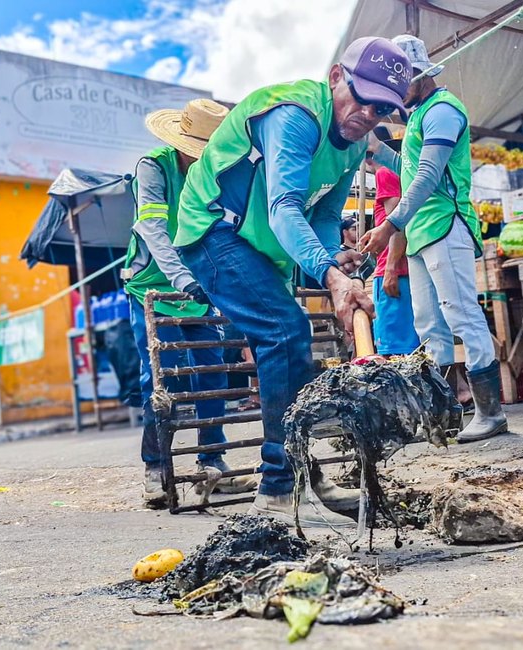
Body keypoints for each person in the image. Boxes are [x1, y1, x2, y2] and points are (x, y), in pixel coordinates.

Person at [175, 37, 412, 529]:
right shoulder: (296, 115)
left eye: (381, 108)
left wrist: (333, 262)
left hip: (258, 244)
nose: (368, 114)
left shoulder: (349, 144)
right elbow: (284, 207)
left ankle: (301, 470)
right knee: (284, 333)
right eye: (362, 97)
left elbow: (324, 213)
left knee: (291, 343)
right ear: (334, 78)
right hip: (213, 230)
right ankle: (277, 491)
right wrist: (329, 276)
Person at [359, 34, 507, 443]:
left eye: (400, 83)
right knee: (428, 325)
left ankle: (491, 412)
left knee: (462, 315)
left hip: (446, 224)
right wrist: (375, 153)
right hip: (423, 233)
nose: (396, 94)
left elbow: (426, 178)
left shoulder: (443, 110)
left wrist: (390, 225)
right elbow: (410, 168)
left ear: (421, 76)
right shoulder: (419, 114)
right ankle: (445, 412)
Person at [122, 98, 256, 508]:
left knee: (212, 373)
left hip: (201, 285)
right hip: (153, 287)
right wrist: (181, 278)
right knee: (163, 381)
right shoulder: (154, 167)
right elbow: (153, 227)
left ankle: (211, 465)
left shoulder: (213, 171)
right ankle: (156, 469)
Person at [368, 159, 420, 357]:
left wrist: (391, 268)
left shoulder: (385, 173)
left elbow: (398, 222)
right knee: (411, 348)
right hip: (402, 268)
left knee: (395, 352)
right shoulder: (398, 173)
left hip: (394, 270)